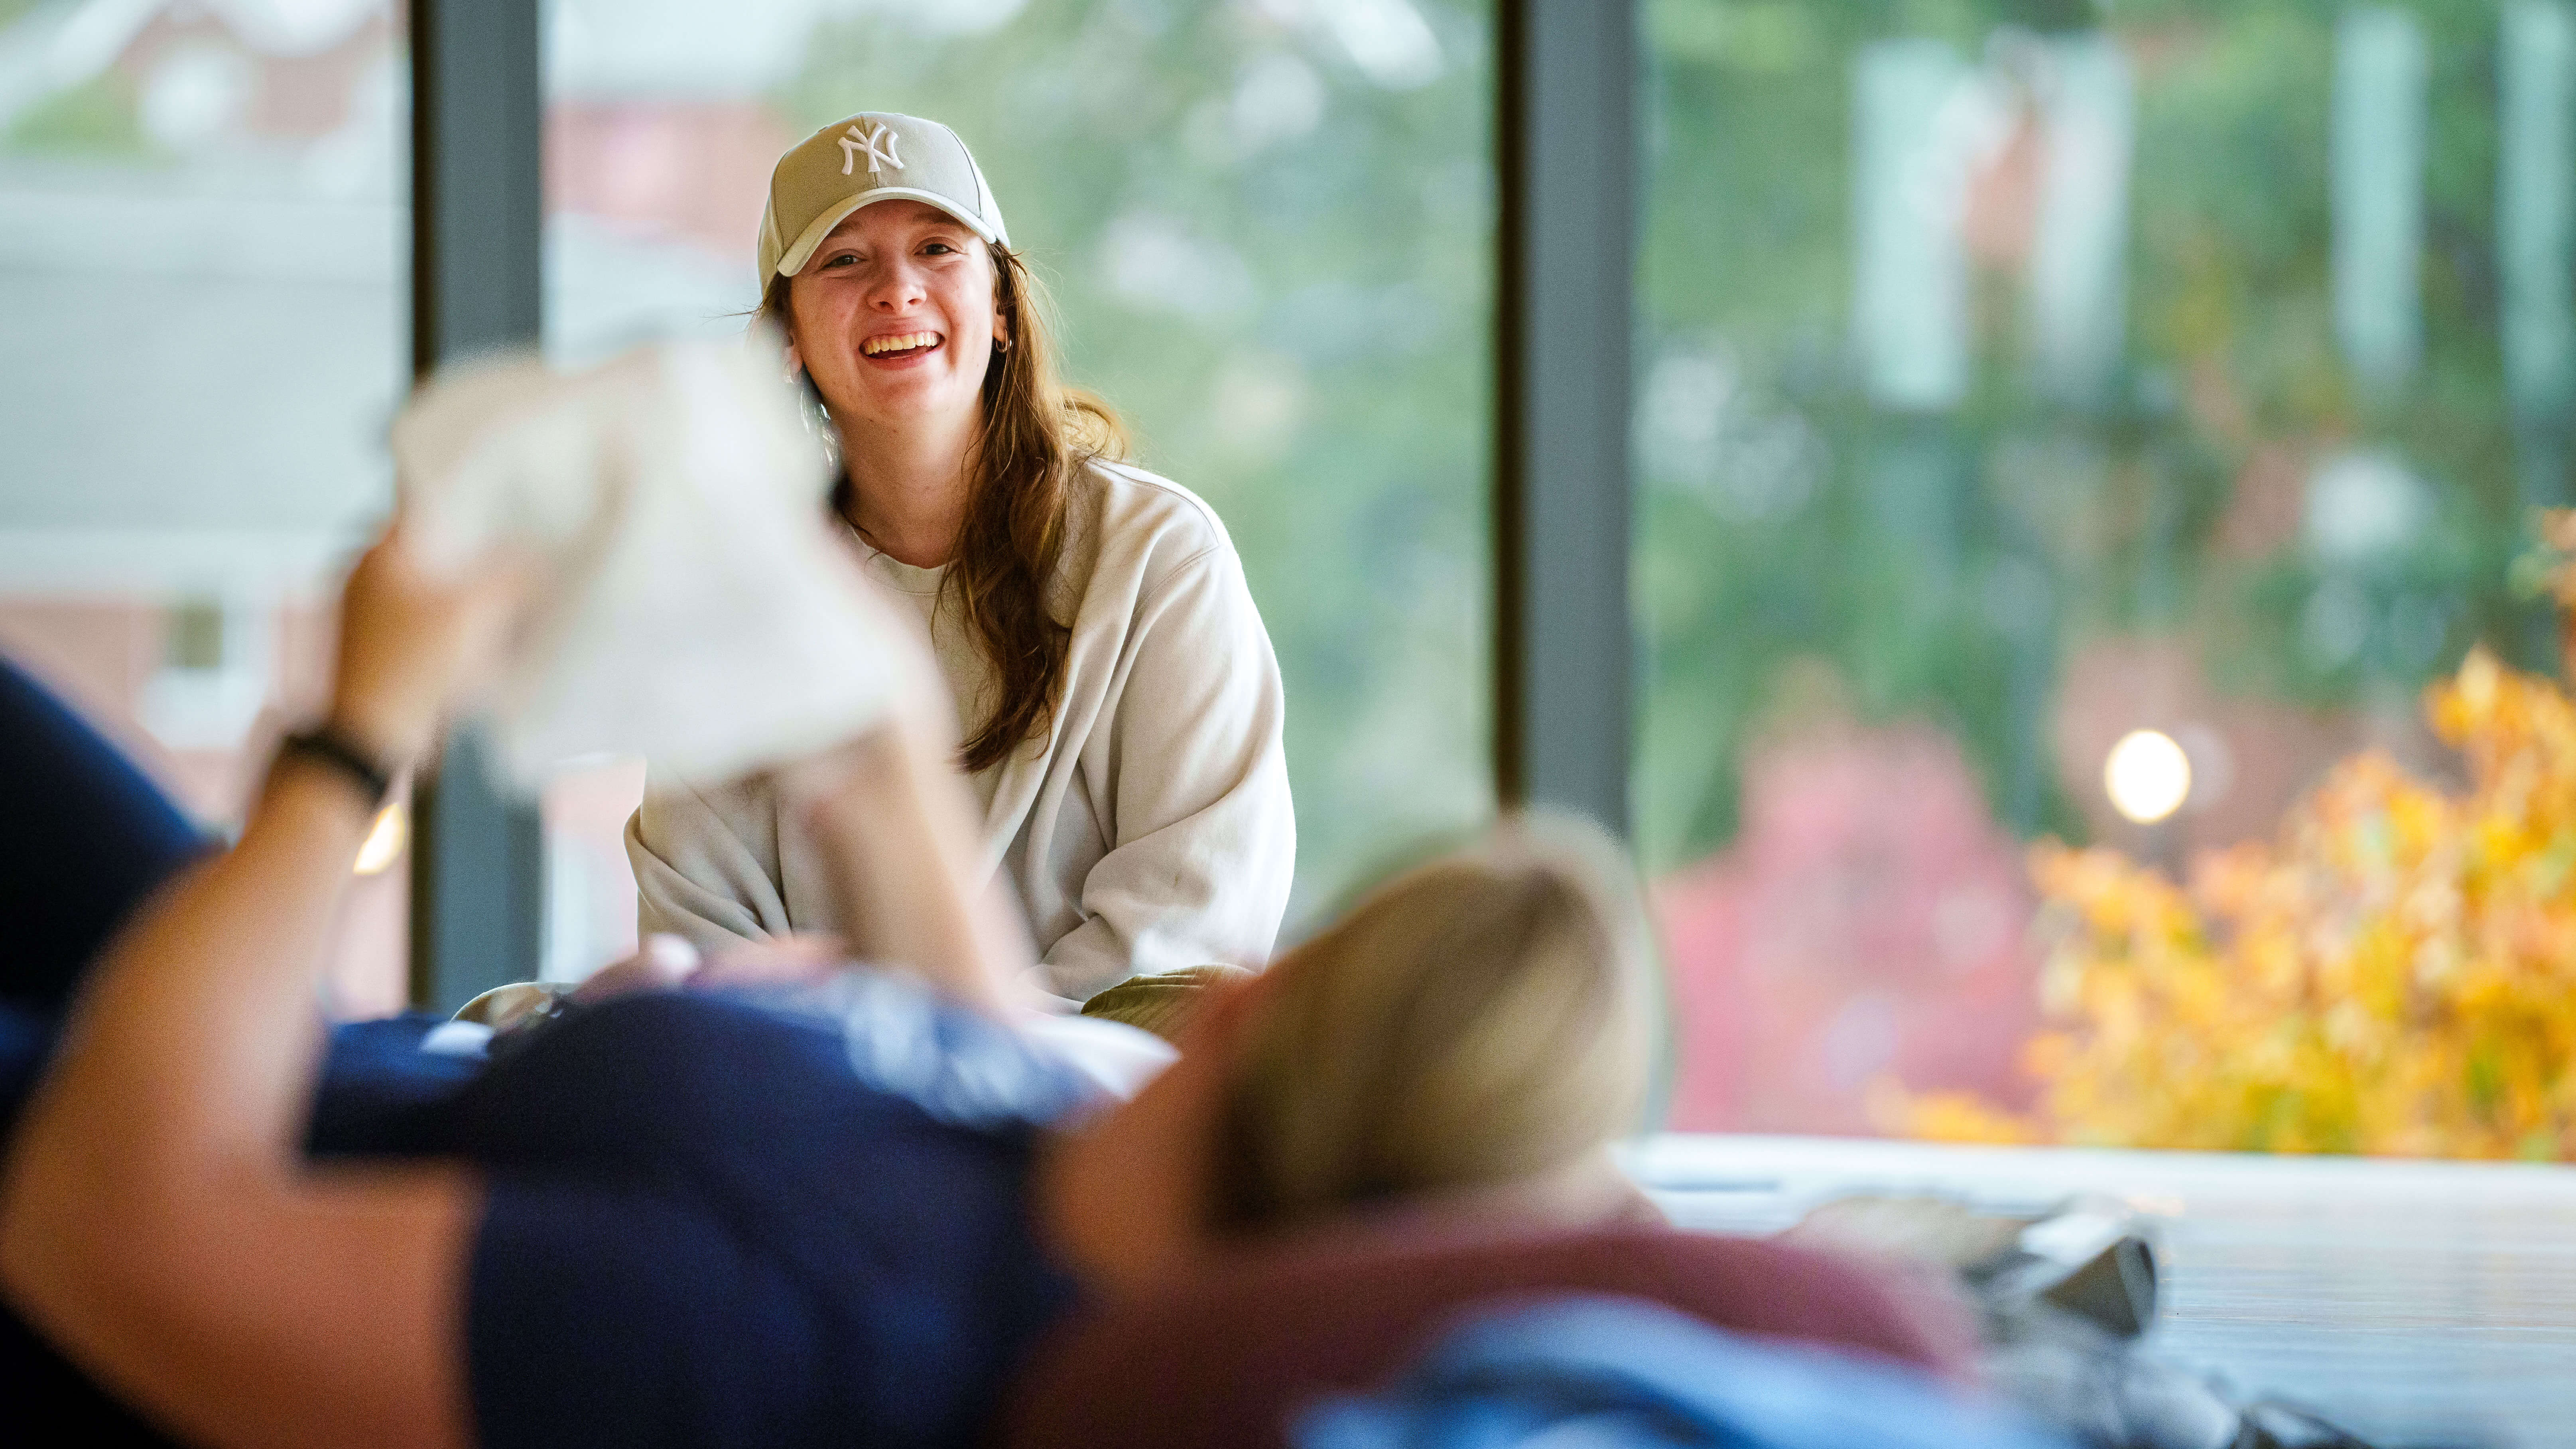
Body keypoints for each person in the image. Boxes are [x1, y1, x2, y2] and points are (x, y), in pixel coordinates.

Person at [0, 518, 1655, 1448]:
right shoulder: (1101, 1186)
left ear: (1251, 1000)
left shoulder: (792, 1330)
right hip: (333, 1060)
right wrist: (867, 727)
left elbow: (106, 1226)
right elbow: (987, 1026)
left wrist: (360, 736)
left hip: (127, 1135)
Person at [627, 111, 1296, 1009]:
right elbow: (700, 953)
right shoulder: (730, 606)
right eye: (843, 259)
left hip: (1095, 1110)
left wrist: (969, 1063)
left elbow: (1188, 934)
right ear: (785, 342)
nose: (896, 290)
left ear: (1004, 309)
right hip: (827, 1121)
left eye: (937, 248)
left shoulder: (1157, 556)